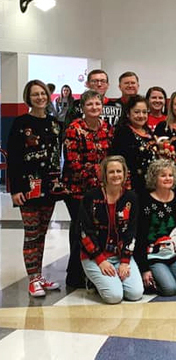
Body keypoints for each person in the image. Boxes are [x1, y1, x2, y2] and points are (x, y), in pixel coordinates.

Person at [7, 79, 64, 297]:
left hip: (49, 187)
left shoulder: (55, 124)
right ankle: (33, 279)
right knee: (31, 234)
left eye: (42, 93)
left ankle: (39, 276)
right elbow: (13, 158)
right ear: (28, 98)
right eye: (35, 94)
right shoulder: (21, 123)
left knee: (42, 234)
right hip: (28, 188)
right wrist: (15, 189)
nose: (40, 97)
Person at [63, 89, 114, 288]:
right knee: (79, 230)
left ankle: (93, 273)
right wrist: (102, 171)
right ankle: (74, 275)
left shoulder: (108, 128)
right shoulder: (74, 129)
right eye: (90, 104)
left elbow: (112, 157)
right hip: (77, 190)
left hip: (102, 189)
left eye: (97, 104)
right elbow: (73, 162)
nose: (94, 108)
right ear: (82, 107)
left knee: (96, 231)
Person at [78, 156, 143, 304]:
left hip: (120, 255)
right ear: (104, 175)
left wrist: (125, 261)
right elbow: (83, 232)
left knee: (135, 294)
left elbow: (131, 232)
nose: (116, 175)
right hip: (95, 256)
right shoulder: (91, 197)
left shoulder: (131, 198)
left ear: (125, 173)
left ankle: (113, 280)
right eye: (111, 172)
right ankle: (92, 280)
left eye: (119, 171)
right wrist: (100, 260)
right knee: (114, 297)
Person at [134, 159, 176, 297]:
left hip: (173, 255)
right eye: (163, 175)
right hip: (153, 257)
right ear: (154, 178)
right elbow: (140, 236)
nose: (168, 178)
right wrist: (144, 269)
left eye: (170, 175)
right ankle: (151, 279)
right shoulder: (145, 201)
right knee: (170, 289)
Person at [110, 95, 159, 200]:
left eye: (144, 112)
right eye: (137, 112)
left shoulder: (148, 132)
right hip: (131, 188)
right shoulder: (123, 132)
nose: (141, 116)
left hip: (151, 186)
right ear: (128, 113)